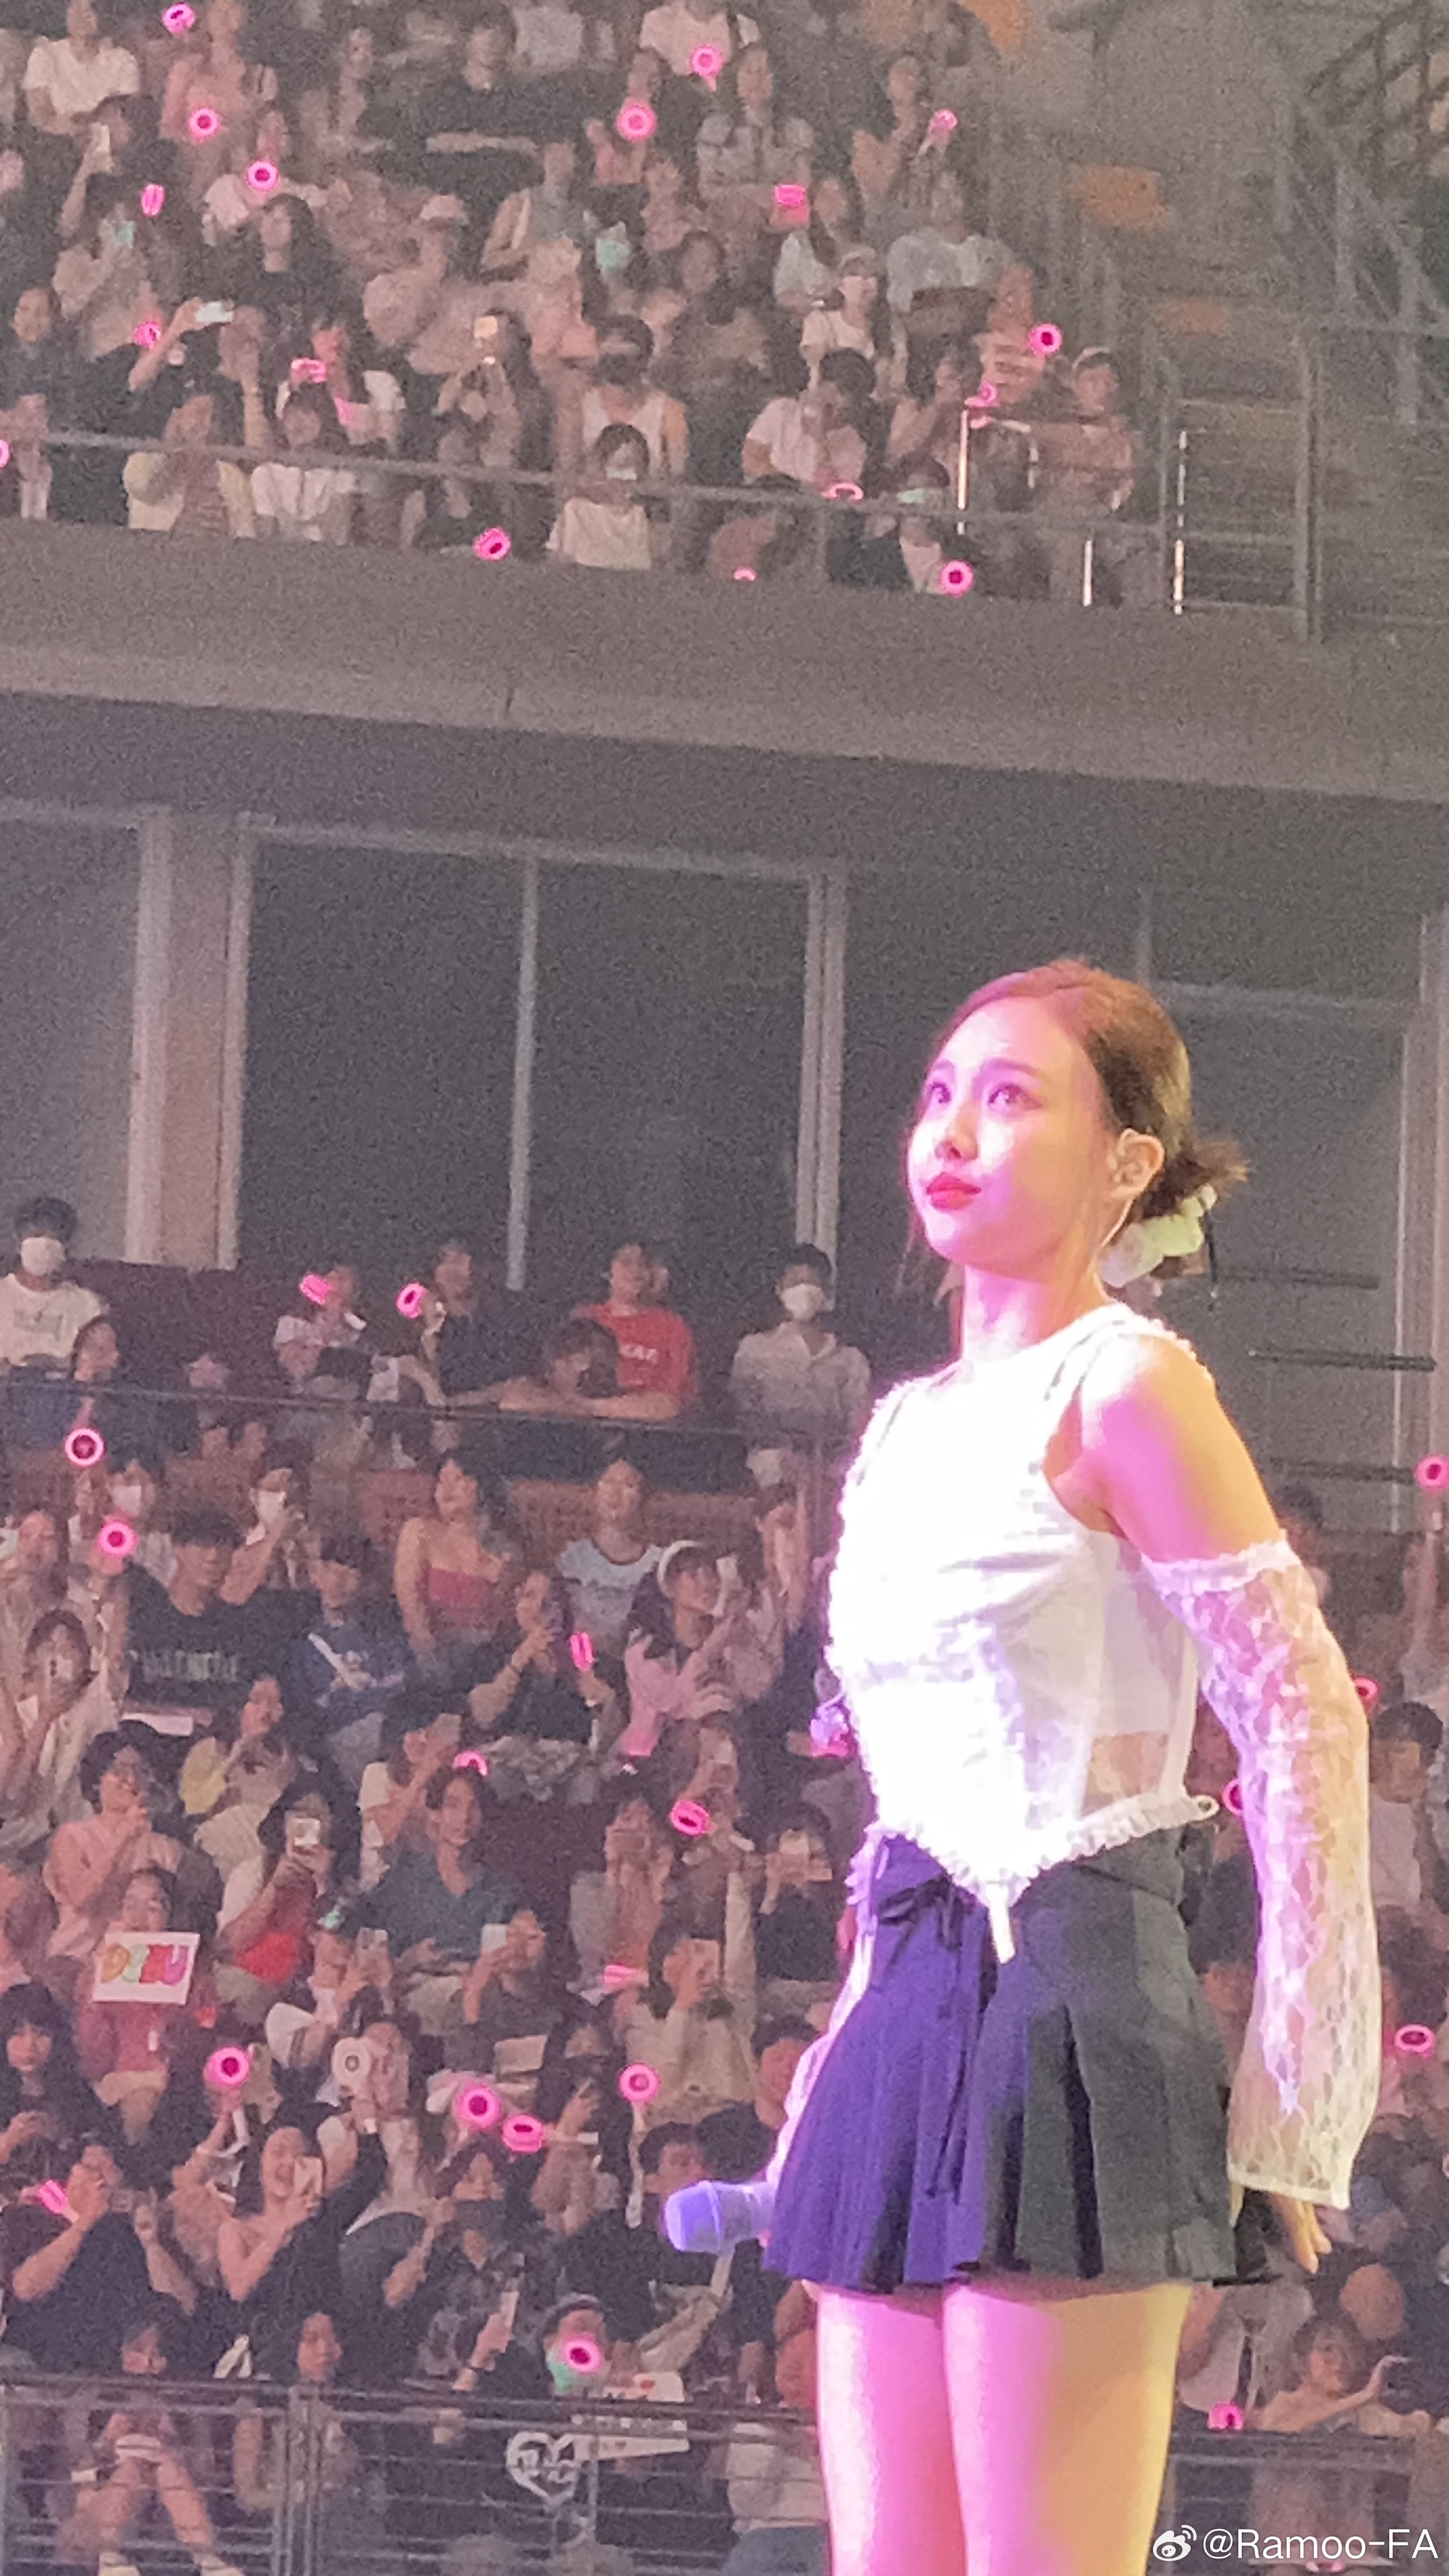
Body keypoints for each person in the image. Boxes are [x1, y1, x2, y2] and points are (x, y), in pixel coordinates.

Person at [687, 959, 1379, 2576]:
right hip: (907, 1998)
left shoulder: (1128, 1382)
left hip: (1075, 2002)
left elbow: (1300, 1709)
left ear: (1124, 1164)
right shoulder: (905, 1424)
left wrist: (1297, 2087)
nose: (951, 1131)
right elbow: (902, 1796)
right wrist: (839, 2043)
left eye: (1008, 1099)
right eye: (939, 1093)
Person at [729, 1245, 871, 1461]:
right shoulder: (754, 1350)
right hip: (770, 1465)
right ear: (780, 1289)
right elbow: (744, 1416)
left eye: (812, 1282)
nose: (804, 1290)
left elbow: (858, 1425)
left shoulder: (851, 1360)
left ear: (827, 1291)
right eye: (795, 1282)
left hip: (832, 1465)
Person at [393, 1452, 521, 1678]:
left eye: (458, 1479)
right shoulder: (420, 1532)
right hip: (430, 1655)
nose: (447, 1489)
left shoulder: (503, 1547)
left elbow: (510, 1621)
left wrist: (502, 1582)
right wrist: (431, 1658)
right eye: (441, 1481)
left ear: (481, 1487)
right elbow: (410, 1602)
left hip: (486, 1660)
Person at [555, 1457, 661, 1658]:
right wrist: (585, 1669)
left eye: (628, 1485)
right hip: (584, 1665)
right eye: (608, 1482)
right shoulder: (575, 1559)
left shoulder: (657, 1563)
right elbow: (569, 1625)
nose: (615, 1493)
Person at [578, 1239, 698, 1415]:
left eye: (644, 1264)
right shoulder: (587, 1318)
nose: (635, 1270)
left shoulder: (672, 1327)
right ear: (607, 1271)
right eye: (626, 1262)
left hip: (648, 1424)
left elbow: (672, 1401)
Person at [0, 1193, 103, 1369]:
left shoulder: (86, 1305)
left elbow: (100, 1366)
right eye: (36, 1235)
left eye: (55, 1238)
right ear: (19, 1243)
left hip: (61, 1385)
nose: (44, 1245)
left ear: (66, 1248)